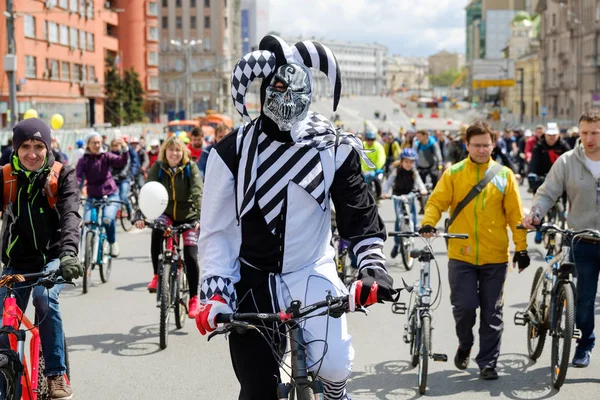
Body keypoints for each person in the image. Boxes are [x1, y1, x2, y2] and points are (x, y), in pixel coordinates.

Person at [195, 35, 396, 400]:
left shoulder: (332, 146)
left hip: (312, 270)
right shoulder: (230, 152)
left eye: (296, 89)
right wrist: (215, 292)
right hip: (251, 278)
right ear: (263, 90)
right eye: (279, 88)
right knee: (257, 389)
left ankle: (336, 392)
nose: (287, 100)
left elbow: (358, 213)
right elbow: (216, 231)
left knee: (335, 367)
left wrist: (372, 267)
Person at [420, 120, 529, 380]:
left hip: (495, 257)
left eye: (486, 145)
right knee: (465, 308)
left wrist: (521, 248)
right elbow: (437, 201)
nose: (481, 150)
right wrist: (428, 222)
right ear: (467, 145)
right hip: (461, 255)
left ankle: (488, 363)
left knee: (492, 313)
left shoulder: (504, 175)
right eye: (476, 145)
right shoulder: (454, 173)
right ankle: (465, 344)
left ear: (493, 144)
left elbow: (515, 215)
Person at [0, 118, 83, 399]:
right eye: (25, 146)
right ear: (16, 148)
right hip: (17, 262)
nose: (32, 153)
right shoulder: (6, 177)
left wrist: (69, 254)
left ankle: (56, 373)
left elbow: (71, 215)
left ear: (48, 148)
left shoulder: (63, 175)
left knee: (44, 298)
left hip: (55, 257)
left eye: (39, 146)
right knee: (4, 319)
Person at [522, 108, 600, 368]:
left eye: (596, 133)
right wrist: (535, 214)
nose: (590, 138)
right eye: (586, 132)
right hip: (582, 240)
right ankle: (584, 345)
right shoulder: (567, 161)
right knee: (585, 300)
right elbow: (547, 193)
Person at [135, 136, 203, 318]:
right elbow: (147, 190)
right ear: (165, 151)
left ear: (184, 152)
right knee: (157, 230)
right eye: (171, 150)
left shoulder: (191, 168)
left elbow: (198, 192)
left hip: (188, 215)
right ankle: (157, 275)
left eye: (178, 150)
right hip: (165, 213)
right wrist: (139, 214)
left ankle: (194, 298)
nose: (175, 153)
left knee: (190, 255)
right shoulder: (158, 167)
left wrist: (201, 217)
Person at [76, 132, 128, 257]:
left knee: (107, 220)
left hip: (110, 194)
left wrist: (125, 148)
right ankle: (89, 250)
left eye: (99, 142)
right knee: (88, 222)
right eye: (94, 142)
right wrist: (75, 191)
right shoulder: (83, 160)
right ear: (88, 144)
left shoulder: (106, 156)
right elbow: (77, 178)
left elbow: (121, 162)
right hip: (92, 196)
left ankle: (112, 242)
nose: (97, 145)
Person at [381, 147, 428, 258]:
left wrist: (422, 189)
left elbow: (419, 182)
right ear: (401, 161)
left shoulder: (414, 172)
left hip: (409, 194)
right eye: (406, 162)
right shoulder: (396, 171)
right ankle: (397, 244)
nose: (408, 164)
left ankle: (415, 225)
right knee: (399, 218)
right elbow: (388, 183)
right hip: (397, 195)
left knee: (412, 212)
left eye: (411, 162)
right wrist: (384, 192)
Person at [109, 138, 134, 218]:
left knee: (123, 196)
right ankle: (115, 213)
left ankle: (130, 210)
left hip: (124, 178)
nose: (115, 147)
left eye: (116, 145)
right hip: (114, 178)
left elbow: (127, 165)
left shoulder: (124, 154)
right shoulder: (109, 155)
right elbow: (108, 167)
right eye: (113, 145)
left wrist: (121, 174)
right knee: (113, 197)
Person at [361, 130, 386, 199]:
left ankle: (379, 196)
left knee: (377, 180)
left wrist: (375, 169)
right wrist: (361, 169)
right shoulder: (362, 145)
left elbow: (381, 158)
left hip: (376, 170)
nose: (370, 141)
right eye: (368, 139)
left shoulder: (379, 147)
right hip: (364, 171)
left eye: (372, 139)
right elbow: (359, 158)